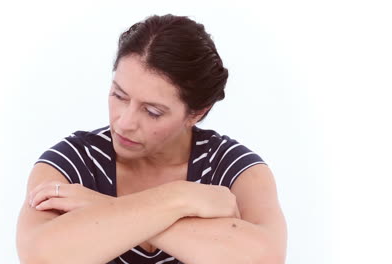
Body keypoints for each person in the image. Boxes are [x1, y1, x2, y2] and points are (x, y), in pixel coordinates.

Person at [16, 14, 287, 264]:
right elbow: (40, 255)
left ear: (196, 113)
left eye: (152, 111)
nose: (124, 122)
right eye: (119, 95)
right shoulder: (75, 161)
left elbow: (264, 259)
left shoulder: (231, 168)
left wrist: (96, 205)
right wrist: (180, 197)